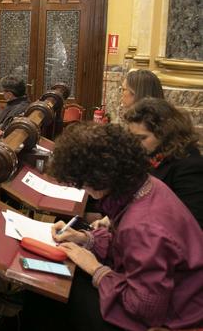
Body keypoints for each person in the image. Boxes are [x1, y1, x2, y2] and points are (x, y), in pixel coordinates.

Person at [18, 123, 203, 331]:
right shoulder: (146, 186)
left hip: (173, 317)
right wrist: (86, 239)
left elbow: (146, 309)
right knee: (56, 283)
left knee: (48, 292)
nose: (84, 190)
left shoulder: (143, 227)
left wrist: (95, 269)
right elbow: (128, 250)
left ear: (98, 180)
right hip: (177, 298)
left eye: (82, 184)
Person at [124, 98, 203, 227]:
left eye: (142, 138)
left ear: (165, 133)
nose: (135, 144)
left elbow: (192, 223)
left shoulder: (190, 166)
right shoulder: (153, 156)